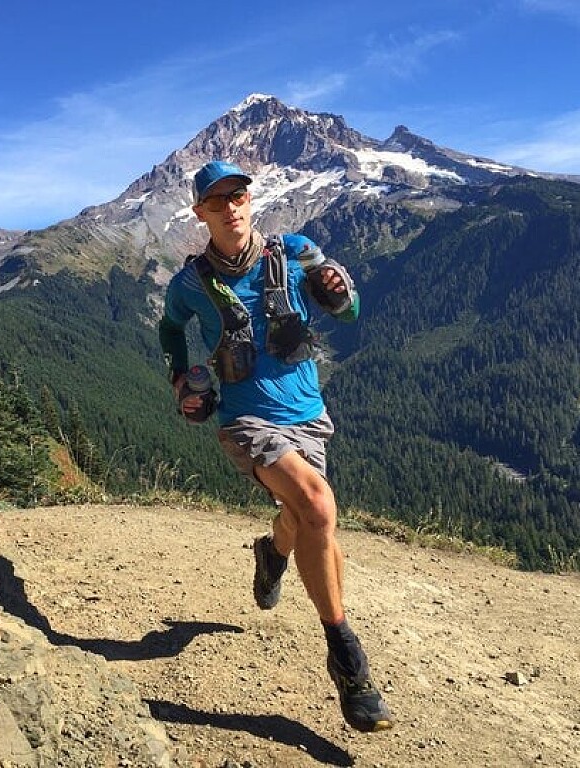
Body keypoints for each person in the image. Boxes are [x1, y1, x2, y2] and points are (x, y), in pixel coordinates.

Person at [158, 160, 394, 732]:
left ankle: (273, 554)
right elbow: (169, 329)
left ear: (250, 199)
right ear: (200, 213)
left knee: (303, 515)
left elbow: (350, 311)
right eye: (217, 202)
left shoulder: (295, 253)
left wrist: (340, 293)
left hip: (309, 417)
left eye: (238, 195)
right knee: (318, 506)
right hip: (246, 421)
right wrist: (182, 380)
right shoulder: (190, 284)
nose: (230, 208)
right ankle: (346, 657)